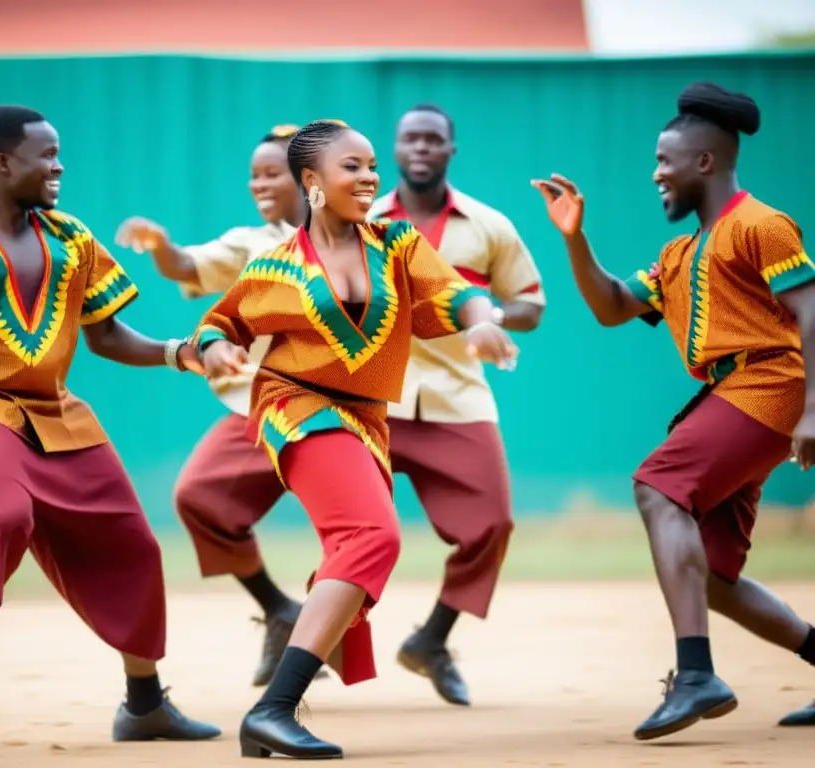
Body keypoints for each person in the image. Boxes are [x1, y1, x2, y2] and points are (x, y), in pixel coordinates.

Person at [0, 105, 220, 751]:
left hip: (58, 410)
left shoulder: (72, 238)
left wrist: (175, 351)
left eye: (59, 154)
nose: (59, 166)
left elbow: (105, 333)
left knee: (134, 545)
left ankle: (144, 705)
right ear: (3, 163)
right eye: (46, 155)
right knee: (2, 516)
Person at [193, 119, 518, 759]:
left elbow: (457, 297)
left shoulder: (397, 245)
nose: (371, 177)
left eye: (372, 165)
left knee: (363, 543)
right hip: (296, 406)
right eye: (353, 166)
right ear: (311, 182)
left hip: (367, 419)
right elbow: (217, 323)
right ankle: (273, 710)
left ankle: (277, 701)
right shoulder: (275, 267)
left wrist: (482, 324)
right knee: (372, 535)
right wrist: (213, 352)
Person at [532, 81, 815, 741]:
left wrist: (811, 413)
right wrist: (575, 238)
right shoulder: (679, 253)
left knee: (658, 488)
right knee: (713, 577)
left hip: (768, 384)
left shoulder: (760, 225)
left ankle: (695, 675)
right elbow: (610, 306)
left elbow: (810, 312)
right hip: (729, 394)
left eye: (665, 161)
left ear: (705, 163)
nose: (656, 174)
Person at [113, 125, 321, 688]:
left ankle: (328, 637)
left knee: (352, 531)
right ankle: (282, 610)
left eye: (271, 172)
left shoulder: (354, 240)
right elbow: (186, 266)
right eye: (253, 174)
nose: (259, 183)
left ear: (308, 179)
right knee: (200, 498)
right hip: (265, 406)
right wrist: (161, 246)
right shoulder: (249, 244)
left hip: (337, 410)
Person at [367, 104, 546, 706]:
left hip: (458, 396)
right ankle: (317, 641)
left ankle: (432, 641)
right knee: (355, 531)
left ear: (451, 149)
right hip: (372, 399)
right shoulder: (359, 219)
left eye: (433, 139)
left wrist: (488, 315)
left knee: (491, 525)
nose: (421, 147)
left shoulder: (488, 225)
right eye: (410, 138)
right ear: (394, 149)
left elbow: (530, 303)